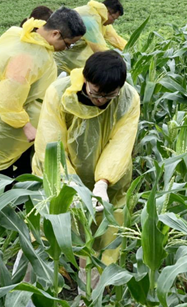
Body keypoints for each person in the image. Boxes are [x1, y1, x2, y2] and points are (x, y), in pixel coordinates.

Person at [32, 50, 140, 272]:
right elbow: (51, 144)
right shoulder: (59, 93)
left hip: (109, 178)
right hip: (60, 174)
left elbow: (120, 143)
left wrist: (102, 182)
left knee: (100, 235)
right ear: (86, 80)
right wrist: (68, 181)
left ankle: (92, 291)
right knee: (49, 228)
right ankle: (38, 281)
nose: (101, 101)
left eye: (109, 96)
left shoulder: (129, 99)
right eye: (96, 93)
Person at [0, 7, 86, 184]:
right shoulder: (28, 56)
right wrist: (26, 126)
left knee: (20, 166)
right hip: (2, 123)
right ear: (55, 34)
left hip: (9, 121)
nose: (67, 49)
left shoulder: (24, 35)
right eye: (68, 44)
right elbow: (8, 99)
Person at [54, 0, 128, 74]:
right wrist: (117, 60)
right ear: (108, 12)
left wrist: (131, 52)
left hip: (73, 59)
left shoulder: (102, 19)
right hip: (61, 61)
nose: (113, 22)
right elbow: (99, 48)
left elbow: (115, 38)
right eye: (113, 18)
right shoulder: (90, 18)